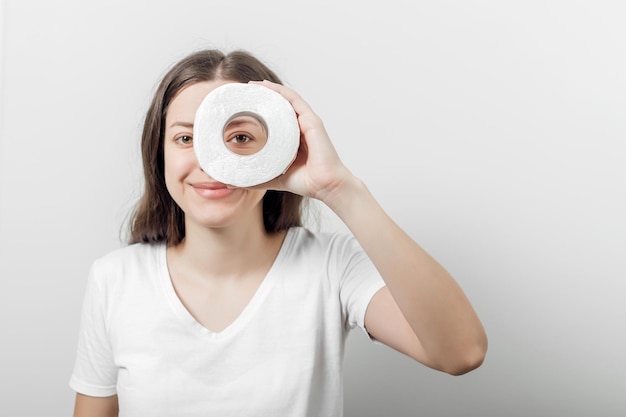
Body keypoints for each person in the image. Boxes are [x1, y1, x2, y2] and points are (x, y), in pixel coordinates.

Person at [70, 49, 488, 417]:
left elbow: (461, 353)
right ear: (158, 152)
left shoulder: (332, 266)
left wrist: (339, 189)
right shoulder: (114, 280)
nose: (210, 162)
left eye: (239, 138)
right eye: (185, 137)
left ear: (279, 148)